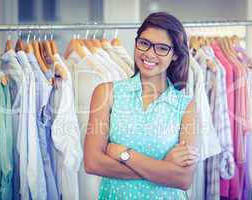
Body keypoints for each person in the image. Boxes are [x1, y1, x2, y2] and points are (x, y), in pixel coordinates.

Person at [84, 12, 200, 200]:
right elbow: (92, 163)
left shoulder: (186, 106)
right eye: (144, 43)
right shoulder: (106, 93)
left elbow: (183, 179)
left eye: (162, 48)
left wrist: (124, 155)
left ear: (175, 55)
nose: (149, 53)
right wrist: (163, 167)